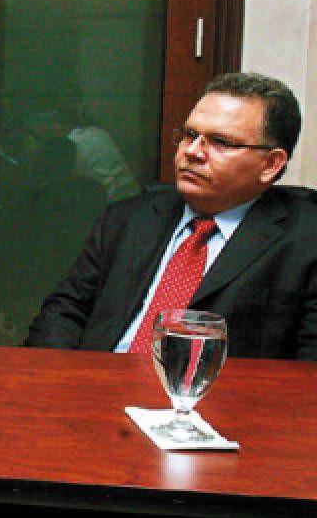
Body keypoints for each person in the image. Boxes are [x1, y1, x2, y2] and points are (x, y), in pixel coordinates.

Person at [26, 72, 317, 359]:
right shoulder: (130, 217)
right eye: (190, 135)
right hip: (99, 380)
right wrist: (57, 377)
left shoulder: (305, 239)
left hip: (216, 389)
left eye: (220, 142)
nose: (192, 152)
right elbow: (65, 310)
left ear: (270, 164)